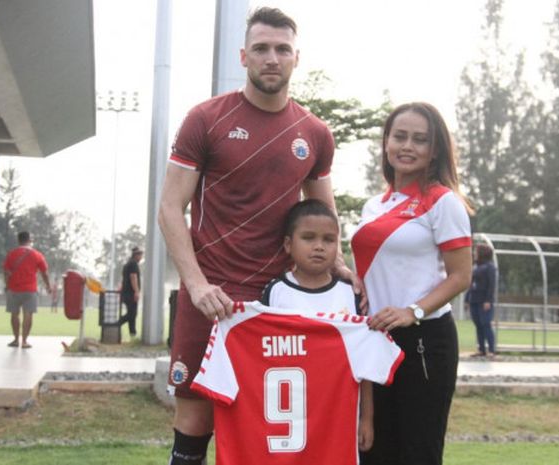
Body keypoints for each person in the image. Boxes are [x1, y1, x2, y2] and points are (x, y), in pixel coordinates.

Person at [157, 8, 358, 465]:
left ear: (296, 58)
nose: (272, 58)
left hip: (275, 302)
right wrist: (196, 284)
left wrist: (341, 266)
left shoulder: (314, 133)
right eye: (262, 49)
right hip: (209, 295)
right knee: (194, 420)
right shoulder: (205, 119)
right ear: (244, 55)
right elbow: (170, 207)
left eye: (282, 49)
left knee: (264, 424)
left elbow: (324, 212)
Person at [351, 102, 473, 465]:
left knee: (418, 453)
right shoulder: (373, 205)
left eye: (420, 139)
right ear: (386, 142)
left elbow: (460, 276)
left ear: (434, 149)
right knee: (372, 450)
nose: (407, 146)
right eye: (399, 136)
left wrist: (412, 311)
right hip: (374, 339)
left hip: (423, 341)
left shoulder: (442, 202)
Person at [260, 199, 373, 452]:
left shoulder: (351, 295)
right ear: (289, 244)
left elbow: (364, 363)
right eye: (309, 238)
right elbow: (260, 361)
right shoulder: (275, 293)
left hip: (340, 413)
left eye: (328, 240)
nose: (319, 247)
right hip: (290, 416)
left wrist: (366, 418)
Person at [3, 231, 52, 349]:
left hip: (13, 288)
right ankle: (24, 341)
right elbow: (44, 272)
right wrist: (48, 286)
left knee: (14, 315)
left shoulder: (11, 254)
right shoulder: (37, 255)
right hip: (30, 290)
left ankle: (15, 340)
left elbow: (5, 271)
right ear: (29, 240)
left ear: (18, 240)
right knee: (28, 314)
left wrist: (7, 284)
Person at [466, 243, 497, 357]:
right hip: (474, 299)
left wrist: (488, 300)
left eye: (476, 251)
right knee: (478, 324)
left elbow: (491, 285)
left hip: (484, 301)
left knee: (486, 324)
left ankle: (492, 350)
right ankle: (481, 349)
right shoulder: (476, 266)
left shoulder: (490, 267)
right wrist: (467, 299)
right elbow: (470, 284)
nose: (474, 254)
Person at [118, 246, 144, 338]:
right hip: (130, 293)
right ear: (136, 255)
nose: (141, 257)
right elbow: (133, 277)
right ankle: (116, 324)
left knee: (131, 313)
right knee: (132, 314)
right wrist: (136, 291)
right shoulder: (133, 264)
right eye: (140, 254)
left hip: (126, 292)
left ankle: (132, 333)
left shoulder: (127, 264)